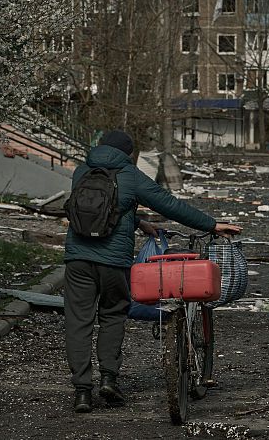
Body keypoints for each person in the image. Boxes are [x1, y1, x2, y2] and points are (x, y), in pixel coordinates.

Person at [63, 129, 241, 413]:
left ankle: (82, 392)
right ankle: (109, 378)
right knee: (112, 316)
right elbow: (168, 204)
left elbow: (102, 208)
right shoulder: (131, 175)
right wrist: (211, 224)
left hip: (77, 260)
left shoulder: (82, 171)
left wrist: (137, 221)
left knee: (78, 322)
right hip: (113, 262)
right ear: (129, 154)